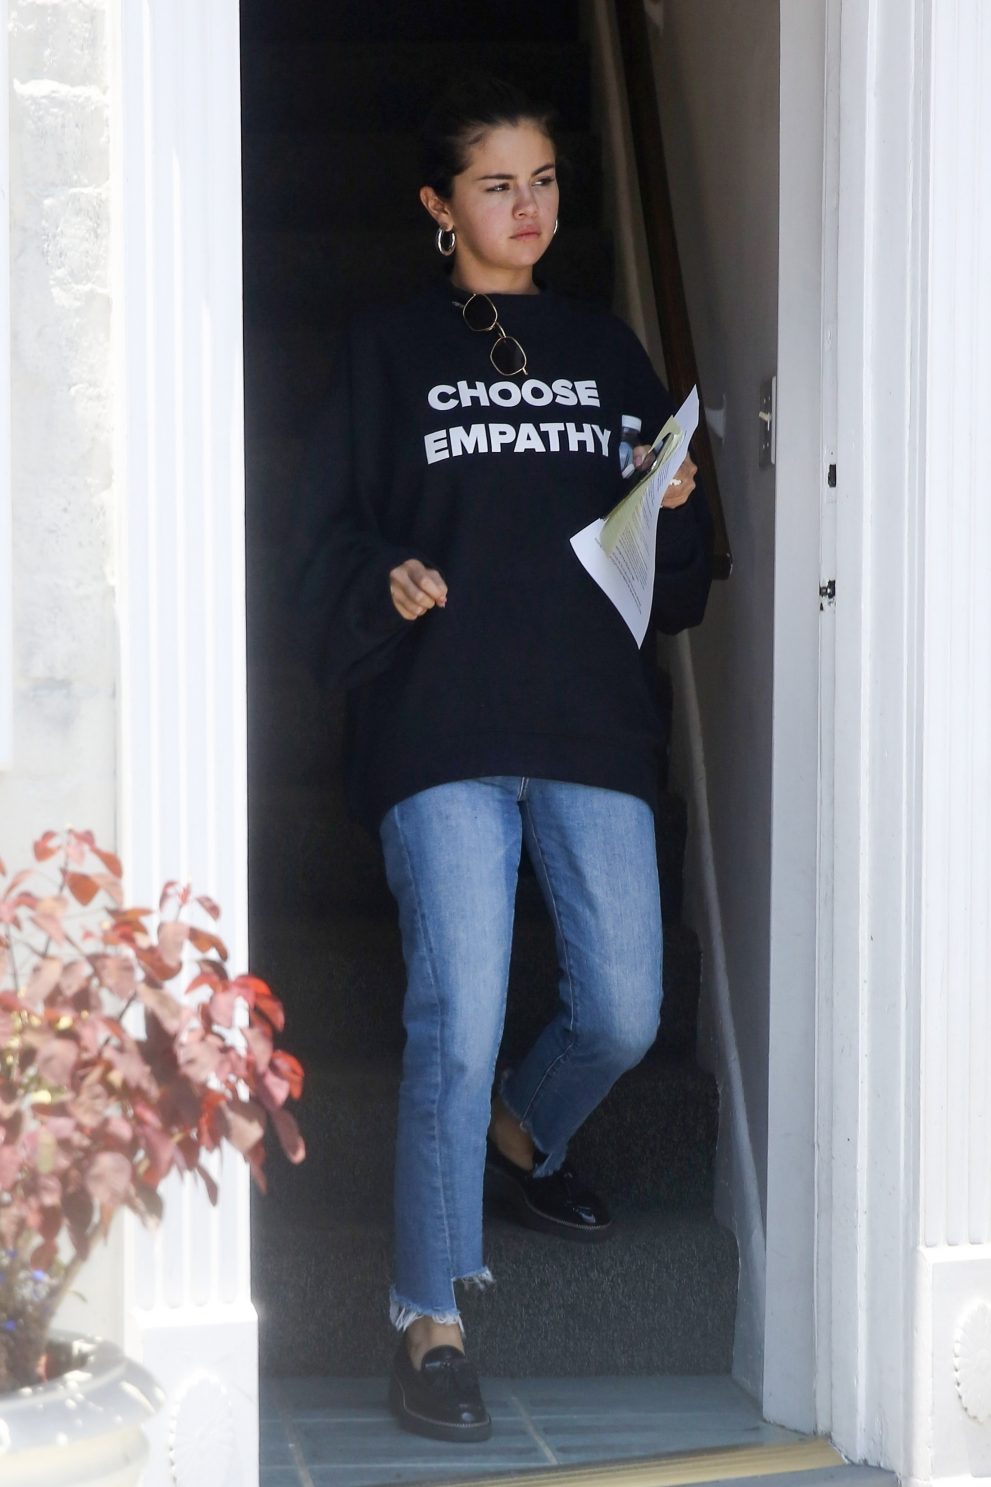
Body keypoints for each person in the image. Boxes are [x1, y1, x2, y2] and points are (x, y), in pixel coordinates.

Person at [292, 74, 712, 1445]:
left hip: (590, 718)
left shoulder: (607, 350)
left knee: (627, 1008)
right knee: (456, 1017)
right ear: (439, 204)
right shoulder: (388, 351)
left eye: (544, 182)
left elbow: (671, 578)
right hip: (444, 724)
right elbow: (322, 532)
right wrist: (387, 577)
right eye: (496, 186)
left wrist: (672, 501)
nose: (528, 208)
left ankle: (523, 1129)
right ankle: (431, 1322)